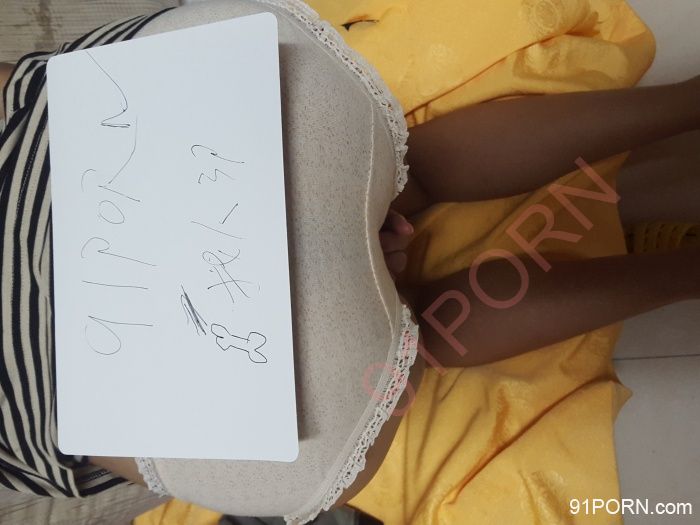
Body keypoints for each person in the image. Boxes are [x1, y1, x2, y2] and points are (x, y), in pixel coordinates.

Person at [1, 1, 698, 518]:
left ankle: (687, 273)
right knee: (413, 171)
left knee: (417, 333)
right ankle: (690, 102)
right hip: (165, 144)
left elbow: (69, 463)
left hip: (178, 393)